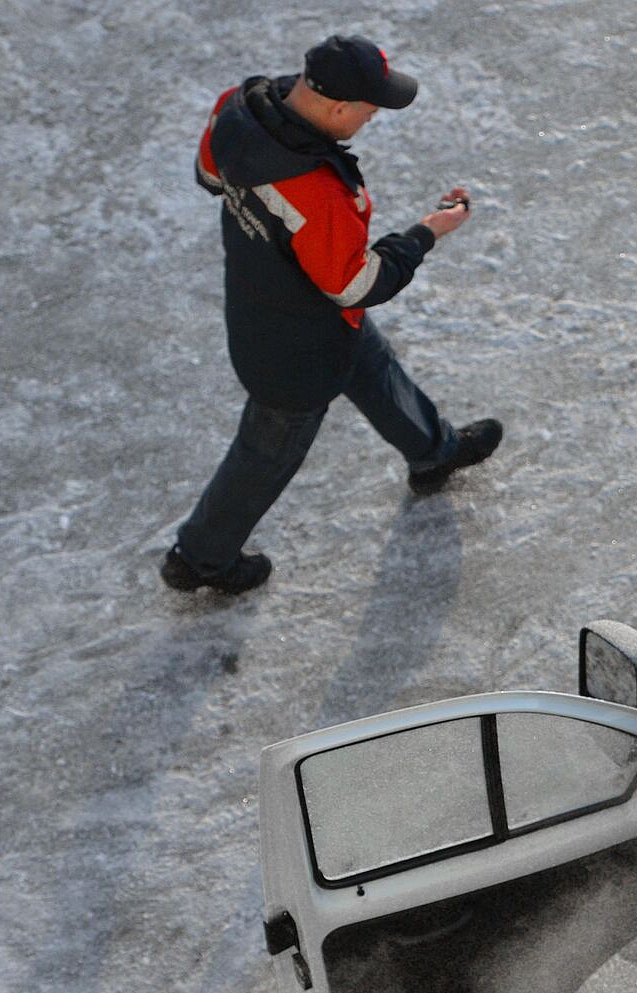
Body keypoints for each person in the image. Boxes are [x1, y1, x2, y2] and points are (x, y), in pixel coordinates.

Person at [162, 34, 501, 594]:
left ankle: (434, 453)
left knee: (374, 367)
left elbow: (210, 179)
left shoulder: (236, 106)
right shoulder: (313, 192)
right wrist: (425, 233)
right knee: (265, 455)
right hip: (293, 353)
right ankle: (199, 558)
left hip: (286, 308)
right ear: (338, 107)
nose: (371, 120)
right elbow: (356, 283)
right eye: (370, 111)